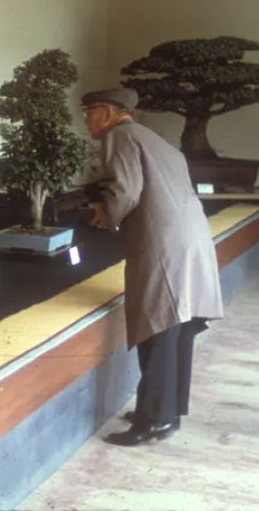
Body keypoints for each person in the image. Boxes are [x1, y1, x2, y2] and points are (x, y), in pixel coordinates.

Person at [81, 87, 224, 446]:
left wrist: (105, 215)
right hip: (191, 238)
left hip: (162, 242)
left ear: (109, 113)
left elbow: (126, 193)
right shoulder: (156, 140)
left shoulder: (119, 136)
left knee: (157, 326)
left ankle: (155, 419)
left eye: (90, 111)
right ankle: (166, 409)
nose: (85, 118)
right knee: (177, 326)